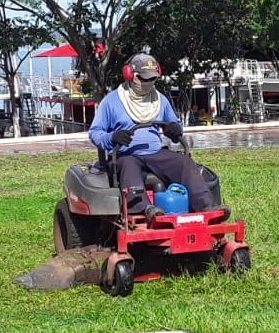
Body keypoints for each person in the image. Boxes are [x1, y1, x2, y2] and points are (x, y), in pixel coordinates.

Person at [89, 53, 230, 221]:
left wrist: (174, 130)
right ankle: (145, 209)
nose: (148, 83)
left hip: (156, 152)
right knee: (129, 167)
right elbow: (95, 133)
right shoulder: (111, 101)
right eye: (144, 79)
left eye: (152, 79)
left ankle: (206, 205)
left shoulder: (160, 100)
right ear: (129, 75)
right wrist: (112, 137)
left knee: (184, 162)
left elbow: (176, 126)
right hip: (126, 154)